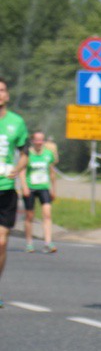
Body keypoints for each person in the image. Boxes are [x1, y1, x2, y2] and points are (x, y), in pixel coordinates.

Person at [0, 77, 30, 308]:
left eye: (2, 90)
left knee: (1, 242)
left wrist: (17, 169)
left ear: (7, 95)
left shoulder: (16, 122)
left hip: (6, 190)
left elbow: (24, 154)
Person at [20, 131, 58, 253]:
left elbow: (52, 172)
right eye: (37, 140)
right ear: (33, 141)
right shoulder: (27, 154)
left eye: (41, 140)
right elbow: (22, 171)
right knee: (29, 216)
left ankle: (48, 242)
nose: (39, 142)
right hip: (30, 187)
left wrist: (53, 189)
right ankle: (29, 243)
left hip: (44, 187)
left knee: (47, 214)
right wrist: (24, 187)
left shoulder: (48, 154)